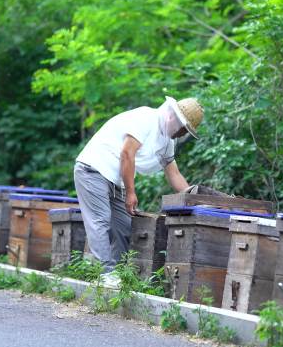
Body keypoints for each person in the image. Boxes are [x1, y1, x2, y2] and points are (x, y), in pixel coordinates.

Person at [73, 96, 203, 286]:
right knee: (100, 221)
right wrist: (131, 193)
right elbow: (127, 154)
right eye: (184, 128)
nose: (182, 133)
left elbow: (174, 174)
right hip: (92, 169)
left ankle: (117, 274)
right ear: (173, 118)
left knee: (125, 226)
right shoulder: (145, 118)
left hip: (115, 180)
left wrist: (194, 198)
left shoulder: (167, 142)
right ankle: (106, 274)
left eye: (186, 131)